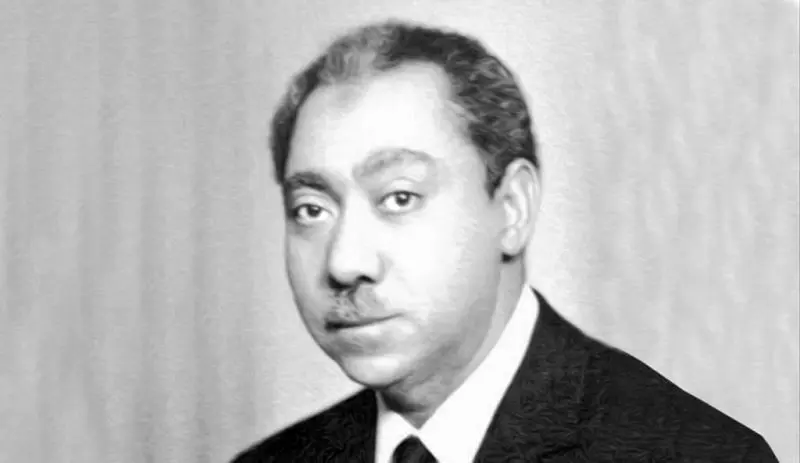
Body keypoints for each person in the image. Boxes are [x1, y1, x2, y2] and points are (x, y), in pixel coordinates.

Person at [233, 19, 778, 463]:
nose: (344, 262)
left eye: (399, 197)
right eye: (311, 210)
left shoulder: (696, 454)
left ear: (512, 207)